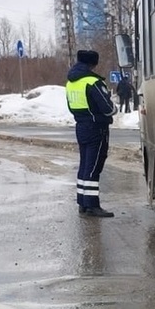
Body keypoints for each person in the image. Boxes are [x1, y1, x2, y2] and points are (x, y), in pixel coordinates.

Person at [65, 49, 117, 217]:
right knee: (94, 166)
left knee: (85, 164)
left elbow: (70, 106)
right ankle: (93, 206)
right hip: (97, 127)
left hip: (81, 126)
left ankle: (82, 202)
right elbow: (108, 108)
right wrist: (114, 107)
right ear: (93, 64)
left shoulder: (71, 82)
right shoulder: (92, 82)